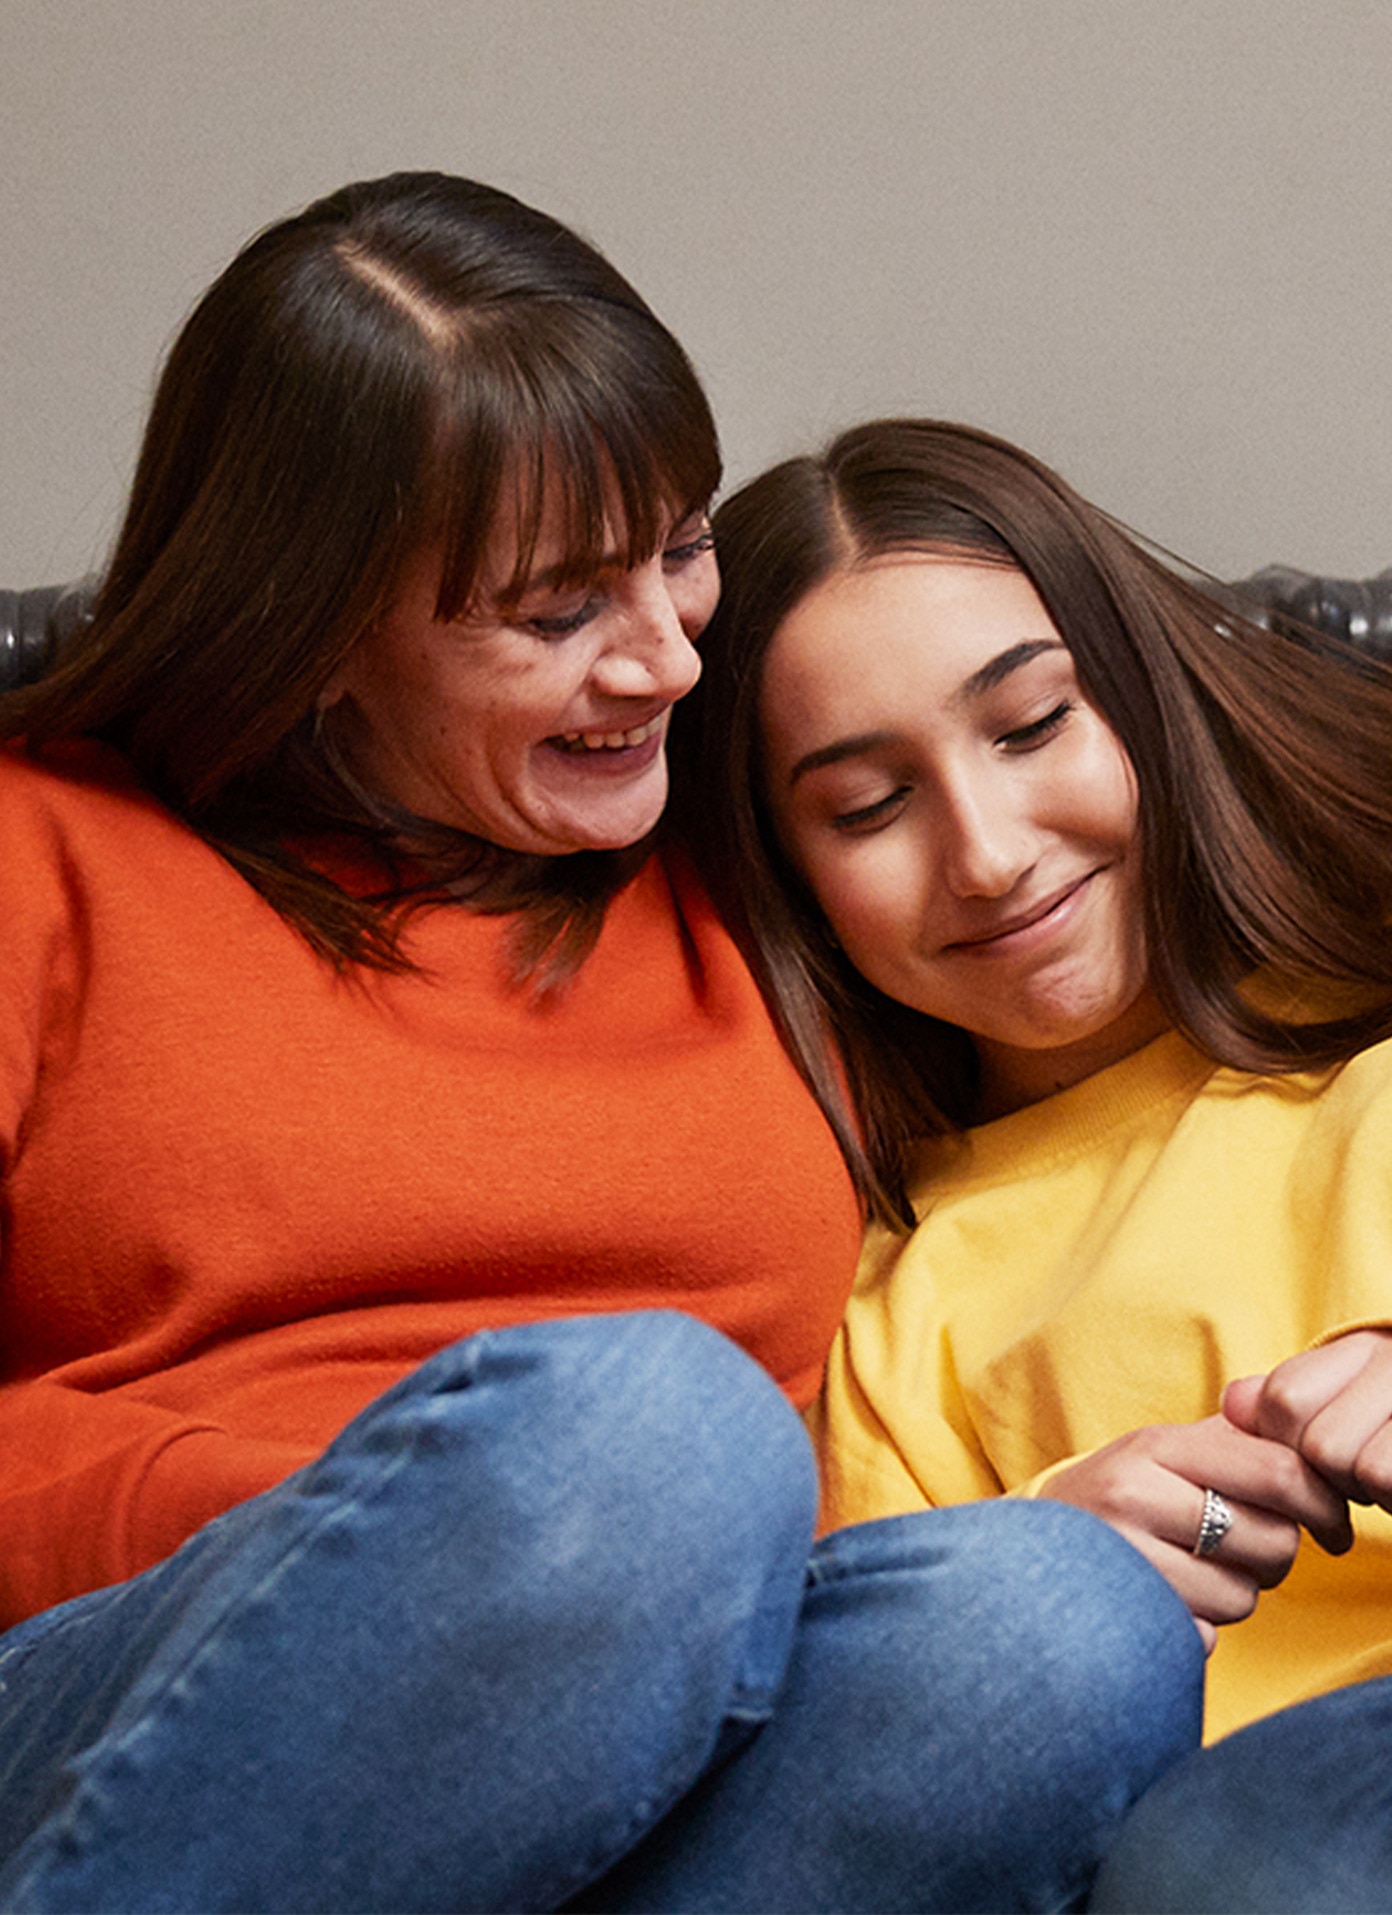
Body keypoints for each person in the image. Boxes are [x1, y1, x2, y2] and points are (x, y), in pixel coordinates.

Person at [0, 182, 1203, 1912]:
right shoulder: (45, 853)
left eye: (682, 546)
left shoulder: (772, 843)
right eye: (557, 611)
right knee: (653, 1440)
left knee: (1058, 1623)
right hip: (144, 1680)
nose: (665, 653)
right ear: (319, 626)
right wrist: (393, 1526)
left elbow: (1199, 941)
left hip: (688, 1676)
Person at [678, 415, 1392, 1911]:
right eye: (868, 806)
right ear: (790, 877)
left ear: (1143, 694)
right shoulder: (890, 1306)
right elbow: (898, 1801)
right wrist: (1047, 1578)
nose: (986, 852)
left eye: (1034, 724)